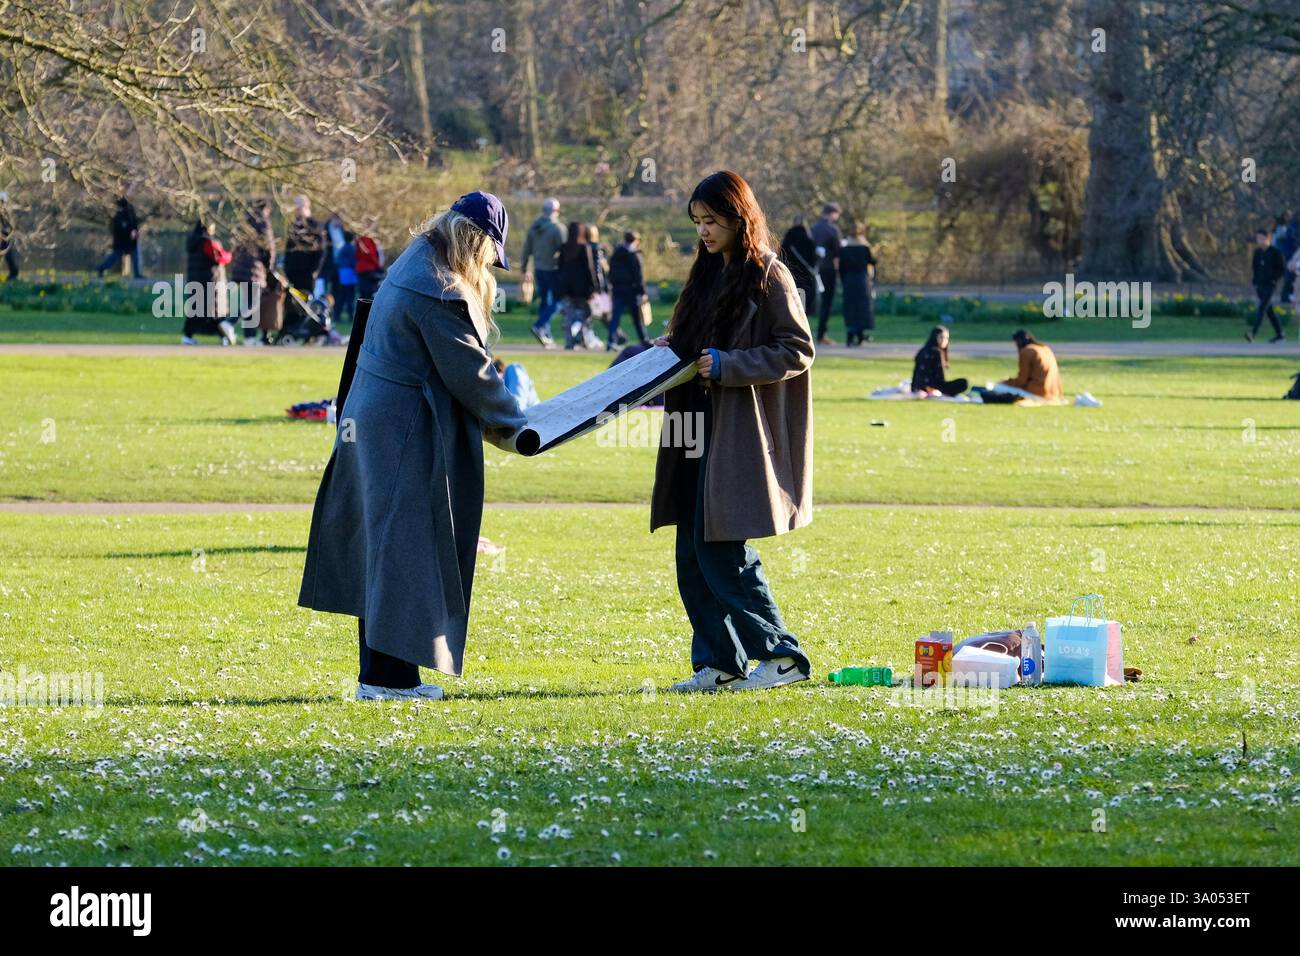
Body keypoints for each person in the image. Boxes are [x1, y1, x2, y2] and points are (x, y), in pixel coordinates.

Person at [298, 191, 529, 701]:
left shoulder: (417, 259)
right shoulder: (438, 288)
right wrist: (517, 426)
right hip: (399, 430)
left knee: (385, 549)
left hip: (376, 421)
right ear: (477, 242)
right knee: (400, 551)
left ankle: (383, 676)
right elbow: (470, 372)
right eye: (490, 255)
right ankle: (388, 680)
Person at [649, 169, 815, 693]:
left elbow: (797, 350)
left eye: (712, 221)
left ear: (739, 219)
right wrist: (671, 349)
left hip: (737, 436)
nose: (703, 231)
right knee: (691, 553)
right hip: (691, 430)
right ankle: (720, 663)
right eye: (697, 221)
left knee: (722, 551)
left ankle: (782, 655)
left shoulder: (769, 274)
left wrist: (728, 365)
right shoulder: (705, 274)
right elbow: (695, 344)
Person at [181, 219, 236, 346]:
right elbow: (220, 257)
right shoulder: (207, 242)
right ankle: (224, 337)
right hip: (210, 281)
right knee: (216, 311)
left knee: (197, 311)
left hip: (196, 280)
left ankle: (188, 336)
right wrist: (230, 254)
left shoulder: (193, 242)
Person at [520, 197, 566, 347]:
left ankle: (546, 335)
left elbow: (527, 249)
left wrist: (524, 267)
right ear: (556, 211)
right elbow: (564, 252)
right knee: (559, 301)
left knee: (545, 302)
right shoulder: (558, 229)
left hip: (539, 269)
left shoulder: (534, 227)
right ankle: (540, 326)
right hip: (553, 270)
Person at [228, 199, 275, 344]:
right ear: (266, 209)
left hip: (241, 268)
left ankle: (250, 337)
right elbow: (268, 247)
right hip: (255, 269)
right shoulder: (263, 222)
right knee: (253, 303)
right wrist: (269, 267)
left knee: (248, 303)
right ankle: (229, 322)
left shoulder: (244, 222)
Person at [557, 222, 598, 349]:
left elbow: (560, 267)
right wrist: (594, 286)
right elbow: (590, 268)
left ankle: (570, 342)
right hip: (582, 287)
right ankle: (579, 334)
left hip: (567, 286)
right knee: (585, 314)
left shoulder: (564, 247)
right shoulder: (584, 247)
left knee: (569, 314)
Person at [607, 231, 650, 350]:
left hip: (617, 289)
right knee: (637, 318)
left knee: (615, 317)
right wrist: (642, 292)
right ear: (636, 241)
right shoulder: (634, 255)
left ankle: (611, 341)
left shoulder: (616, 253)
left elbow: (610, 272)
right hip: (632, 290)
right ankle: (644, 340)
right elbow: (639, 275)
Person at [839, 222, 877, 346]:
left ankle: (850, 336)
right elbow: (873, 262)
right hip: (862, 280)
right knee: (861, 308)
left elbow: (841, 267)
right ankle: (860, 335)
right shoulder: (865, 247)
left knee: (850, 308)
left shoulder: (845, 248)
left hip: (848, 280)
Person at [810, 201, 842, 346]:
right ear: (832, 214)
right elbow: (838, 253)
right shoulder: (833, 230)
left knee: (809, 302)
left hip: (814, 269)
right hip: (828, 269)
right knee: (827, 303)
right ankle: (822, 334)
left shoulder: (813, 229)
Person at [1247, 228, 1287, 343]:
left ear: (1268, 238)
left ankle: (1253, 333)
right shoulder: (1257, 253)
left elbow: (1282, 268)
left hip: (1270, 285)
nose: (1259, 241)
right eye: (1258, 238)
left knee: (1262, 308)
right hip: (1260, 285)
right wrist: (1255, 282)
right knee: (1269, 311)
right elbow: (1255, 268)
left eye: (1262, 238)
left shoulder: (1275, 252)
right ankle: (1280, 334)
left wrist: (1274, 279)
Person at [283, 195, 327, 296]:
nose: (296, 210)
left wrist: (314, 271)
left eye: (298, 207)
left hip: (307, 275)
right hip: (292, 274)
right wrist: (287, 269)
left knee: (305, 302)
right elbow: (288, 249)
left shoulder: (315, 226)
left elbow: (321, 251)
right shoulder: (293, 226)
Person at [1002, 329, 1062, 400]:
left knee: (998, 387)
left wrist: (1006, 382)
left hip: (1036, 392)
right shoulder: (1045, 348)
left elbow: (1021, 381)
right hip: (1054, 393)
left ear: (1019, 342)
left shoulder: (1027, 351)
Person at [780, 215, 819, 317]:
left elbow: (782, 255)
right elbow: (813, 258)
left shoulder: (788, 237)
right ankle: (804, 315)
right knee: (805, 296)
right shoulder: (808, 238)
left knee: (793, 295)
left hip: (791, 273)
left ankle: (795, 315)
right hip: (806, 274)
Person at [96, 196, 143, 279]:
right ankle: (101, 268)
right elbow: (121, 230)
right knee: (114, 258)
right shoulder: (120, 216)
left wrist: (135, 234)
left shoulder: (129, 214)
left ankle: (137, 273)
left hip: (129, 242)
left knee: (134, 256)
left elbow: (134, 226)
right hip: (121, 242)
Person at [911, 325, 966, 396]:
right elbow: (940, 378)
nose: (944, 340)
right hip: (931, 387)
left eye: (946, 338)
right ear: (934, 337)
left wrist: (914, 387)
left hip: (918, 386)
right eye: (941, 337)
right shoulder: (936, 352)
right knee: (963, 383)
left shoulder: (923, 350)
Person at [334, 230, 359, 326]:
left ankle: (337, 315)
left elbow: (338, 261)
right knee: (350, 297)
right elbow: (353, 262)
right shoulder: (352, 248)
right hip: (350, 276)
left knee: (342, 296)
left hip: (342, 275)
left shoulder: (343, 248)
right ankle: (350, 316)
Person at [355, 228, 386, 300]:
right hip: (368, 270)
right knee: (368, 293)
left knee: (364, 293)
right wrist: (378, 266)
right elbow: (369, 254)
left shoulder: (360, 241)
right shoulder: (366, 240)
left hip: (363, 269)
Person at [1273, 212, 1297, 309]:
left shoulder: (1290, 227)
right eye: (1287, 216)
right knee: (1289, 276)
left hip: (1289, 254)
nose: (1289, 217)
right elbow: (1278, 242)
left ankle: (1289, 296)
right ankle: (1286, 296)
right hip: (1287, 254)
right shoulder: (1285, 228)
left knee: (1292, 277)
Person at [0, 192, 17, 280]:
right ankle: (13, 273)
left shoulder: (6, 212)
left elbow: (9, 226)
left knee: (7, 255)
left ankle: (13, 273)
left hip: (6, 236)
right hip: (4, 235)